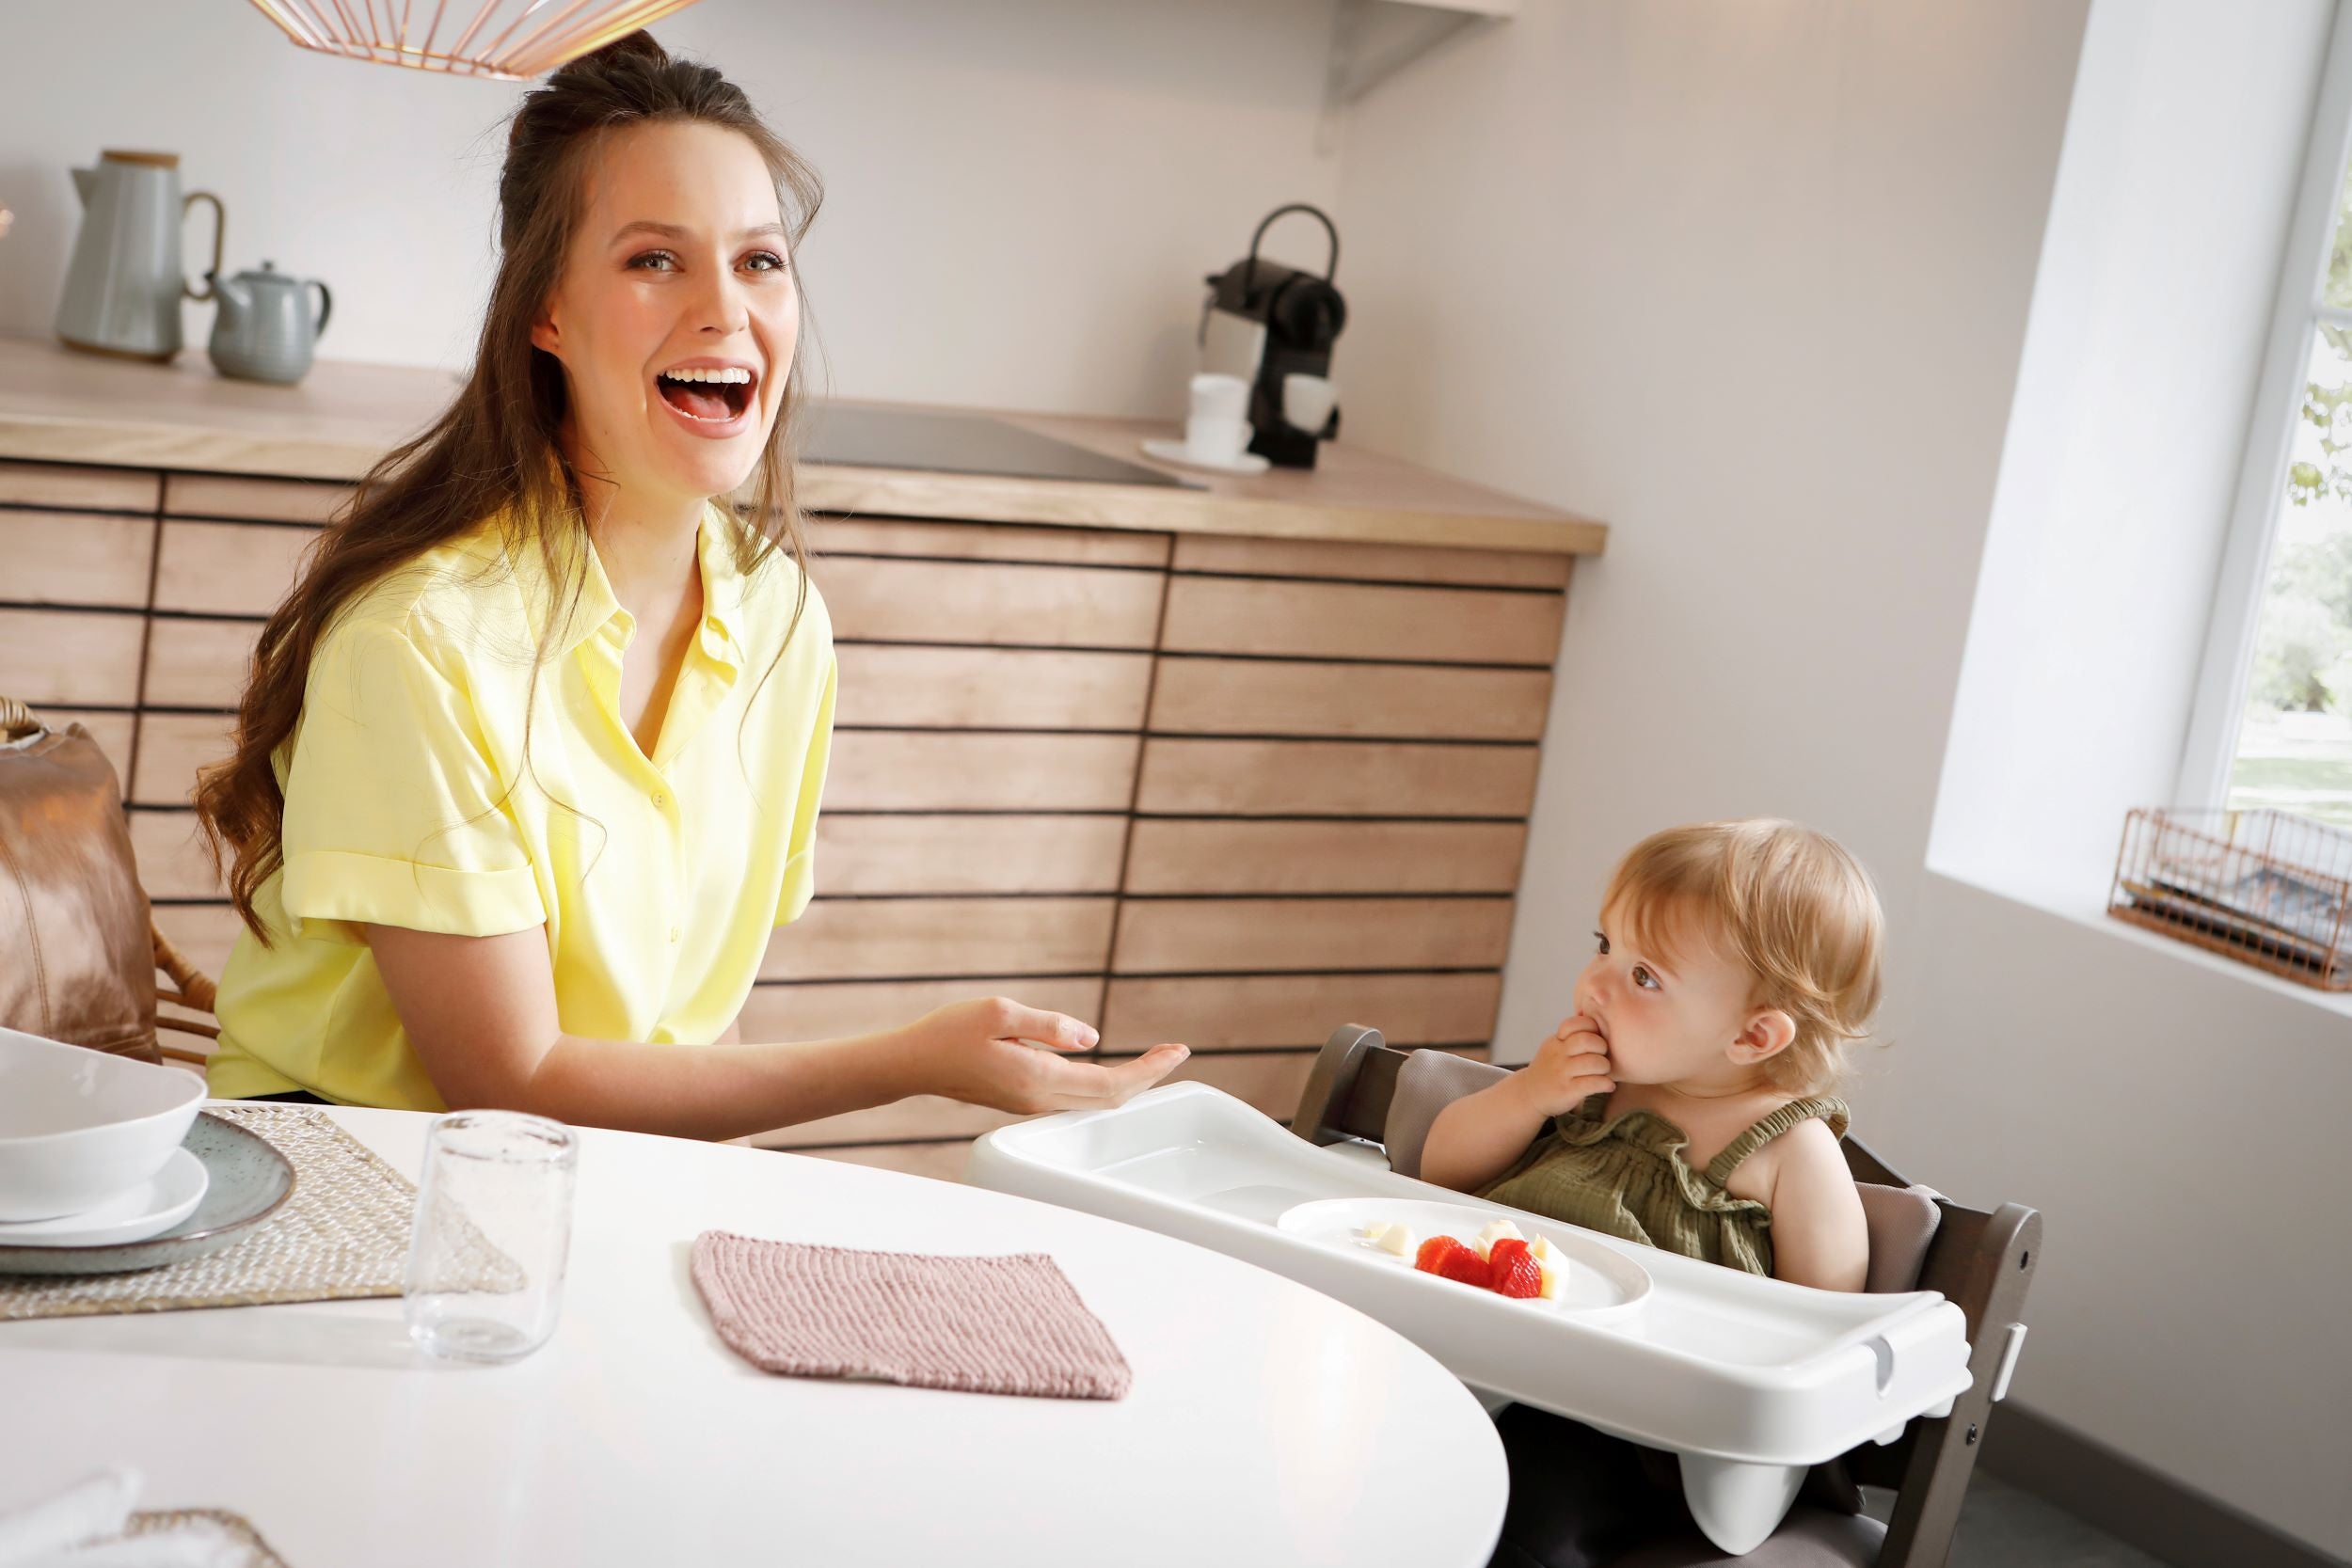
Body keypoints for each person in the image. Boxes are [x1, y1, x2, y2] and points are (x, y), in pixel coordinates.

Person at [193, 32, 1186, 1137]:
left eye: (759, 260)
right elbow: (507, 1078)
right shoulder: (422, 640)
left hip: (584, 1178)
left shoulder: (777, 622)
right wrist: (914, 1061)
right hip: (335, 1176)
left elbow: (668, 1034)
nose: (726, 311)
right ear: (546, 313)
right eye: (653, 260)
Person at [1418, 818, 1884, 1567]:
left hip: (1627, 1428)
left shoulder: (1791, 1150)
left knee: (1521, 1498)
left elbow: (1822, 1326)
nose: (1595, 981)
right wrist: (1528, 1096)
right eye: (1605, 944)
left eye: (1645, 977)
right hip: (1475, 1353)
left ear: (1753, 1037)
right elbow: (1443, 1173)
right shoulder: (1588, 1079)